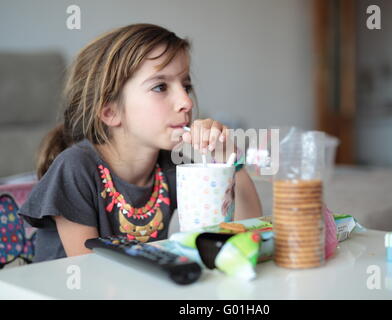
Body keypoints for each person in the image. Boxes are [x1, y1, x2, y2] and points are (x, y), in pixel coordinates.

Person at [18, 23, 262, 262]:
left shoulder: (171, 167)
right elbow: (90, 274)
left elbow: (245, 229)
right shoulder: (75, 169)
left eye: (186, 86)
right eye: (160, 87)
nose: (186, 102)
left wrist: (230, 161)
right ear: (110, 111)